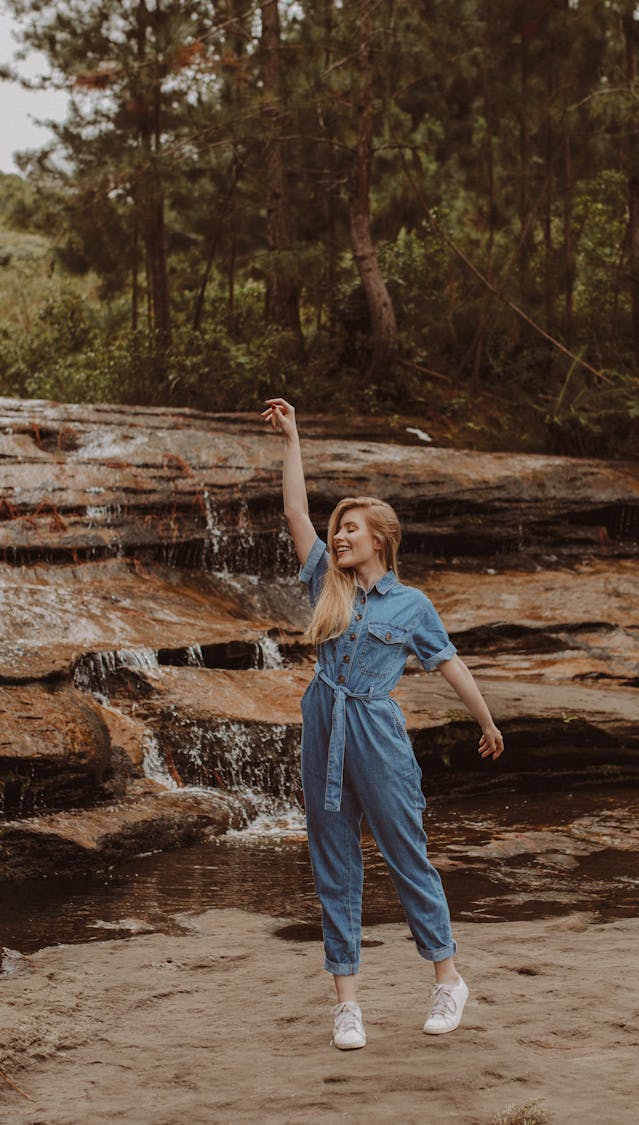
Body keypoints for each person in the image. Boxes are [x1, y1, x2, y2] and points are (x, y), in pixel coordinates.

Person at [262, 397, 505, 1051]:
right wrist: (294, 440)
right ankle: (347, 1003)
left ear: (381, 540)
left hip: (376, 729)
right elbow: (293, 511)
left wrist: (487, 721)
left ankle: (448, 978)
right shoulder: (325, 584)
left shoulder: (413, 604)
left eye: (353, 529)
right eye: (338, 528)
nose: (339, 536)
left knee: (406, 856)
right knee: (333, 861)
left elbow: (450, 666)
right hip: (323, 722)